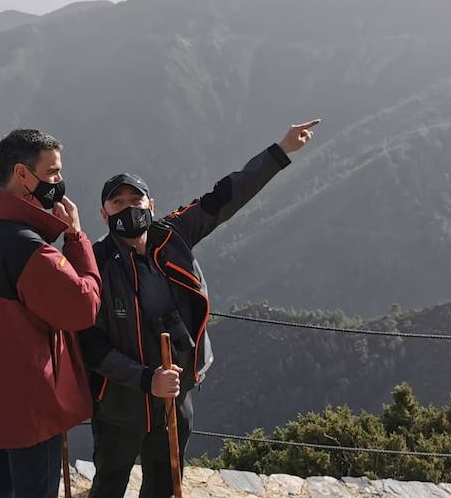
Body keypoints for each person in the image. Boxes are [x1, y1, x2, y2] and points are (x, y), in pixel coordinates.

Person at [78, 120, 320, 498]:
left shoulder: (174, 234)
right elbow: (89, 344)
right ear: (103, 212)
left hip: (177, 396)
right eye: (117, 201)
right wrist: (146, 379)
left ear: (151, 205)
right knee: (109, 484)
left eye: (135, 199)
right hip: (120, 404)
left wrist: (281, 150)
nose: (128, 207)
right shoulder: (93, 262)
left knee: (162, 485)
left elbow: (226, 195)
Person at [0, 128, 102, 498]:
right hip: (31, 402)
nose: (59, 182)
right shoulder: (28, 249)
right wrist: (76, 238)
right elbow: (84, 307)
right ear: (21, 174)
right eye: (52, 173)